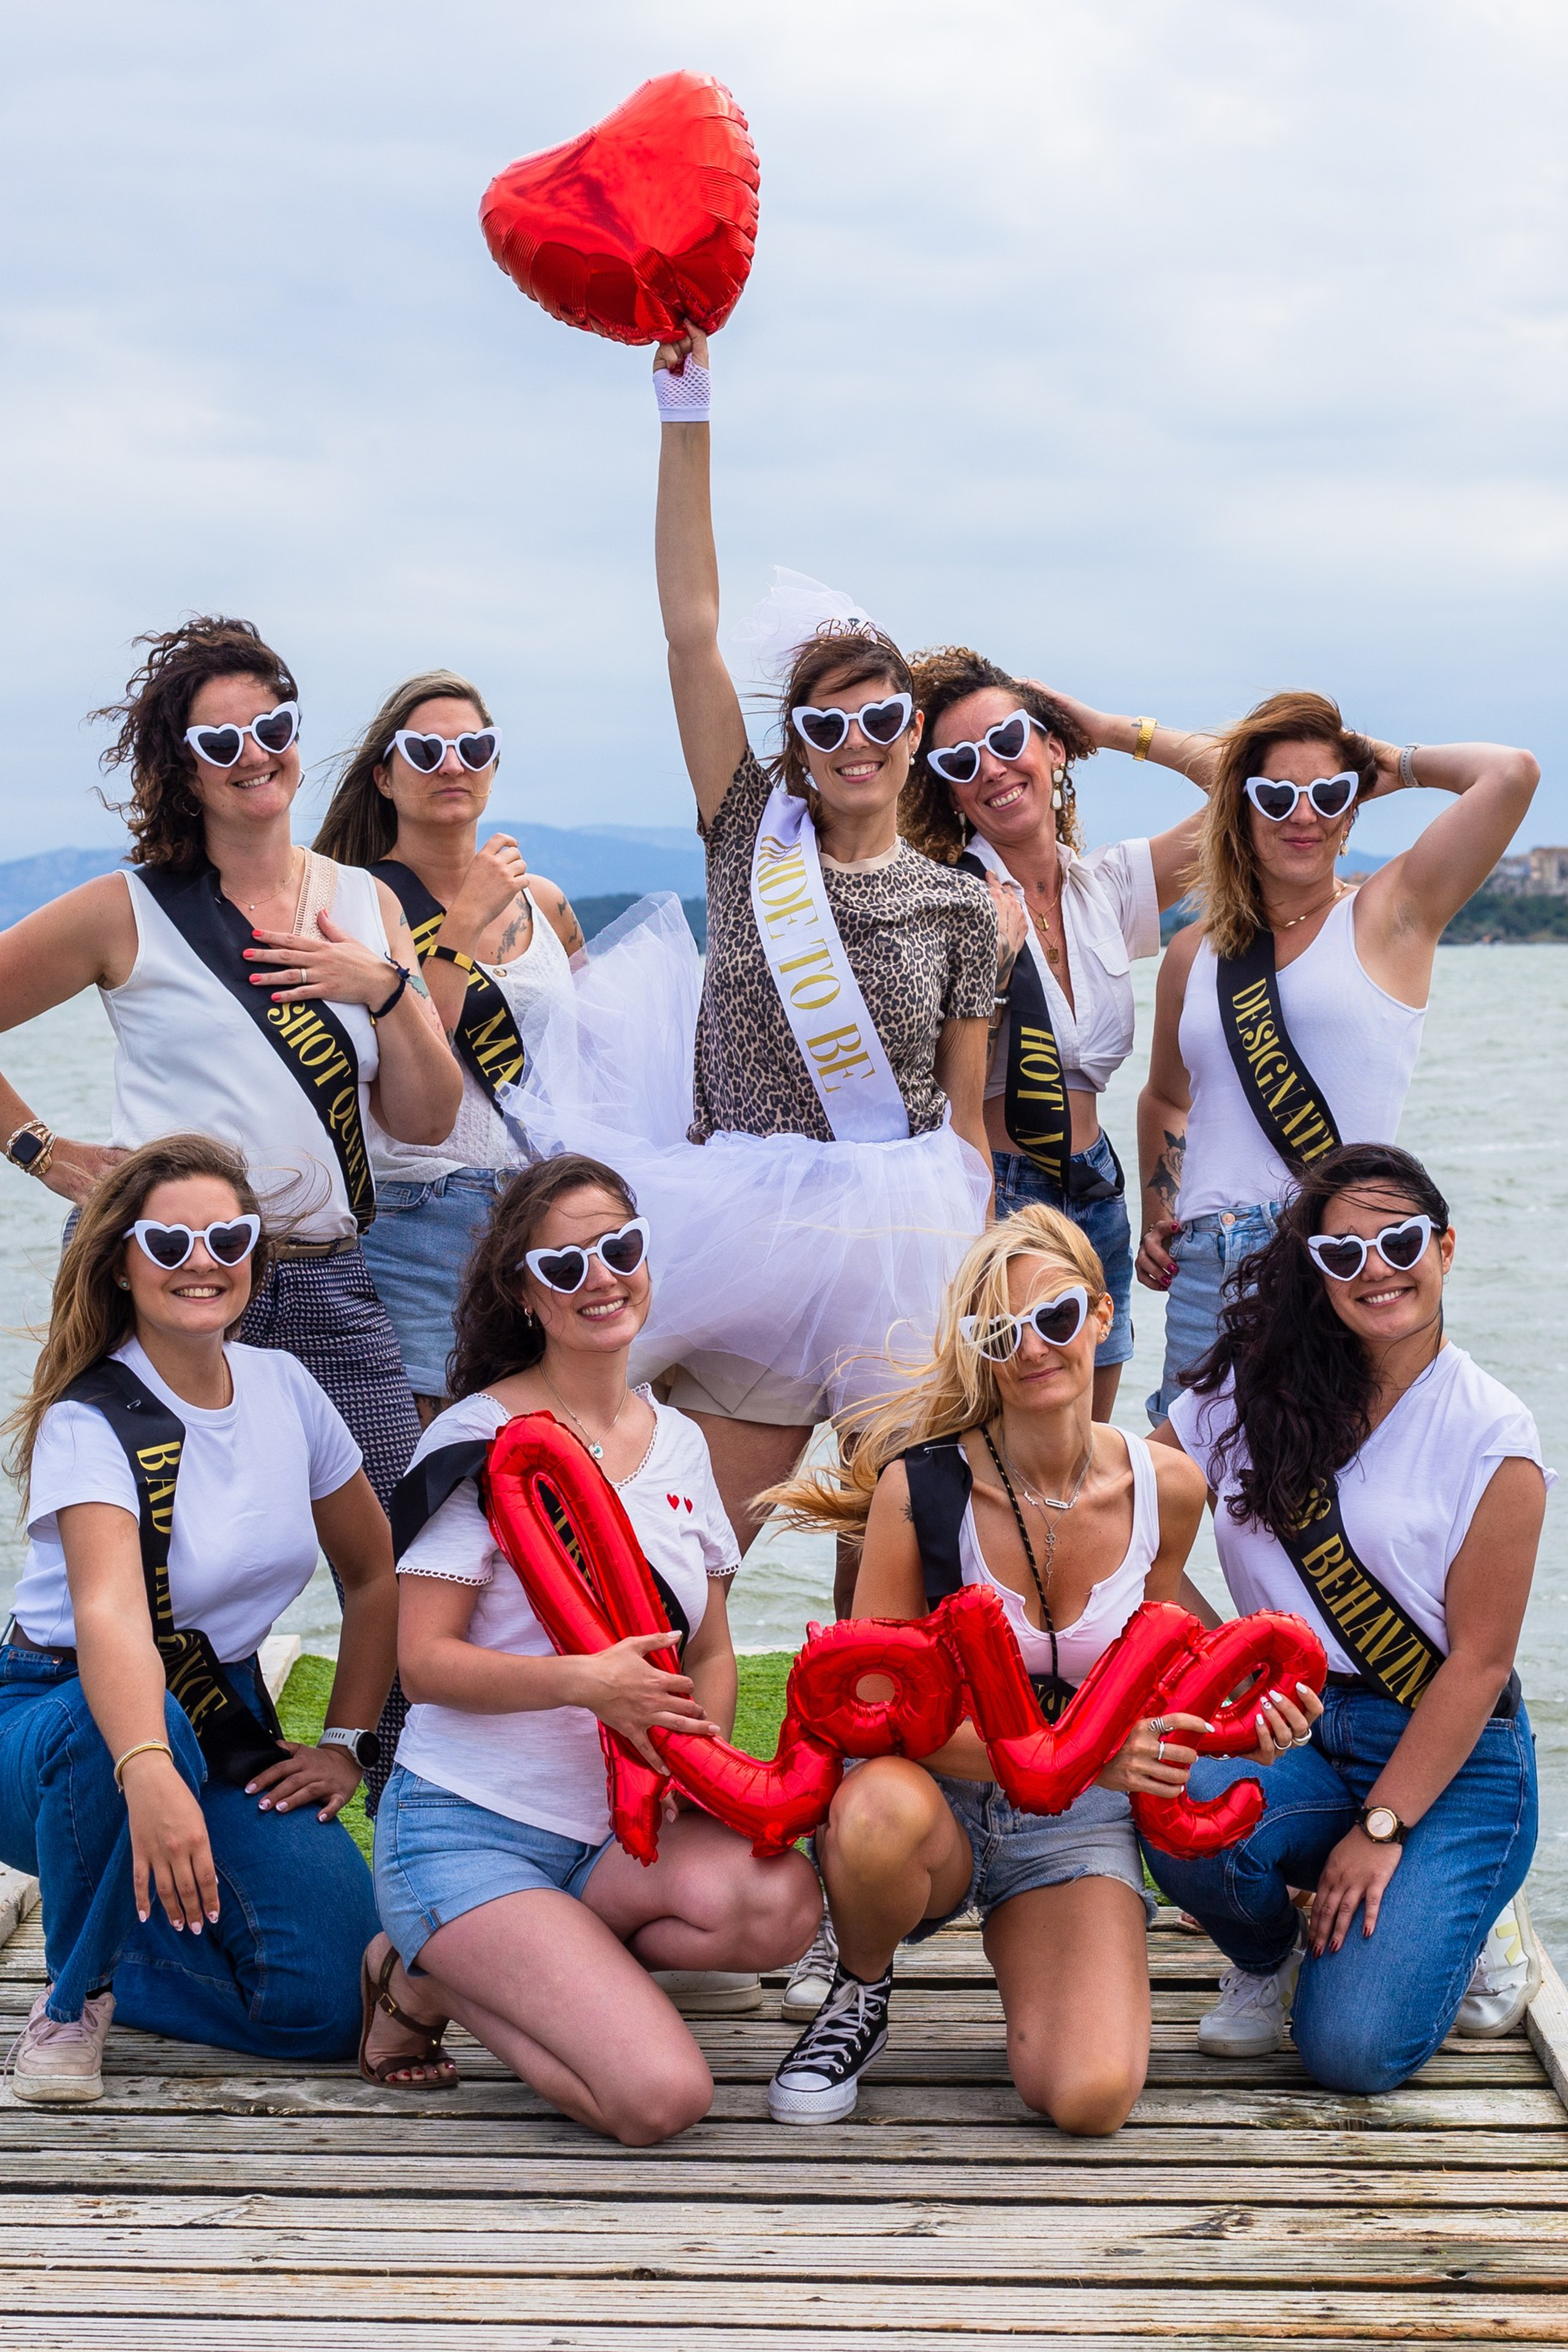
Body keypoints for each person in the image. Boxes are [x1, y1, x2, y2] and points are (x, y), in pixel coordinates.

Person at [519, 325, 997, 1569]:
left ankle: (874, 1763)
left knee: (900, 1550)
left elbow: (965, 1122)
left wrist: (974, 1257)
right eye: (824, 720)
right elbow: (689, 630)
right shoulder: (747, 833)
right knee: (693, 1549)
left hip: (901, 1238)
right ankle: (661, 1751)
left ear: (911, 734)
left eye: (881, 716)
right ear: (796, 739)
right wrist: (687, 406)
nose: (855, 738)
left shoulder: (956, 907)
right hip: (744, 1219)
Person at [0, 617, 461, 1796]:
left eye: (274, 727)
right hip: (163, 1268)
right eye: (223, 738)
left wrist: (391, 990)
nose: (255, 753)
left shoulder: (365, 901)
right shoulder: (128, 909)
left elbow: (422, 1117)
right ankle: (109, 1782)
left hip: (319, 1269)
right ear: (182, 762)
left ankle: (397, 1780)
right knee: (134, 1539)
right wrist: (40, 1149)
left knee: (411, 1531)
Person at [752, 1205, 1303, 2134]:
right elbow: (869, 1711)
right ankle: (860, 1986)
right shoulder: (918, 1489)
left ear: (1097, 1315)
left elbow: (1172, 1646)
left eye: (1054, 1320)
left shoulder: (1166, 1489)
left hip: (1073, 1823)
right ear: (978, 1351)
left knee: (1090, 2098)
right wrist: (1082, 1753)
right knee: (876, 1811)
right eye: (1001, 1333)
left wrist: (1262, 1708)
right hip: (932, 1798)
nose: (1034, 1350)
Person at [364, 1154, 821, 2138]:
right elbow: (425, 1667)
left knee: (781, 1904)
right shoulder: (472, 1440)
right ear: (524, 1293)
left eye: (619, 1248)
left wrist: (701, 1747)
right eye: (564, 1265)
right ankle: (422, 1976)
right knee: (661, 2100)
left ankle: (506, 1959)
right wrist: (588, 1685)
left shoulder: (683, 1442)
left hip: (622, 1831)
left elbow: (711, 1646)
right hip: (471, 1827)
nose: (600, 1278)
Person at [0, 1135, 398, 2105]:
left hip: (216, 1718)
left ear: (256, 1256)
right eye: (168, 1243)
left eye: (227, 1236)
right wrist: (149, 1772)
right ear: (122, 1263)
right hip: (56, 1723)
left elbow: (375, 1573)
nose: (201, 1260)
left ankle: (119, 1934)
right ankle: (72, 1997)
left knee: (330, 2004)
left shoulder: (287, 1388)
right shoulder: (90, 1419)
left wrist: (345, 1741)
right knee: (130, 1728)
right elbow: (105, 1617)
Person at [1149, 1143, 1547, 2091]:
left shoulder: (1494, 1434)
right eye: (1342, 1255)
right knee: (1177, 1808)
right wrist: (1230, 1664)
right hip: (1285, 1719)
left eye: (1400, 1241)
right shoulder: (1244, 1391)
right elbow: (1129, 1532)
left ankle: (1480, 1912)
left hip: (1447, 1751)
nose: (1376, 1270)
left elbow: (1480, 1666)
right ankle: (1264, 1953)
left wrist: (1379, 1832)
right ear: (1316, 1273)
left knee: (1350, 2053)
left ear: (1446, 1248)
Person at [1131, 690, 1538, 1420]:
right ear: (1241, 809)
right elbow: (1166, 1095)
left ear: (1352, 811)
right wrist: (1161, 1204)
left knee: (1326, 1486)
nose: (1303, 812)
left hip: (1334, 1256)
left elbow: (1510, 775)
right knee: (1188, 1491)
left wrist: (1387, 762)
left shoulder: (1389, 915)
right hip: (1202, 1265)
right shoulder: (1192, 951)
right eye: (1275, 794)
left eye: (1326, 793)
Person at [903, 658, 1214, 1419]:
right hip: (995, 1191)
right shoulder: (942, 900)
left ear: (1053, 750)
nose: (992, 768)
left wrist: (1109, 729)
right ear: (946, 788)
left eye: (1009, 738)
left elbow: (1240, 791)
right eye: (960, 760)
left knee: (1080, 1453)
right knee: (985, 1447)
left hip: (1096, 1190)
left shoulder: (1106, 887)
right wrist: (986, 969)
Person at [313, 669, 586, 1419]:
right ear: (385, 776)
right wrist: (461, 923)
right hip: (419, 1209)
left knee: (546, 1467)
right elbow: (415, 1049)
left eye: (474, 746)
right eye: (425, 751)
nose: (453, 763)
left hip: (543, 1214)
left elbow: (591, 1058)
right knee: (433, 1475)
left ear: (494, 766)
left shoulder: (548, 904)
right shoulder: (351, 905)